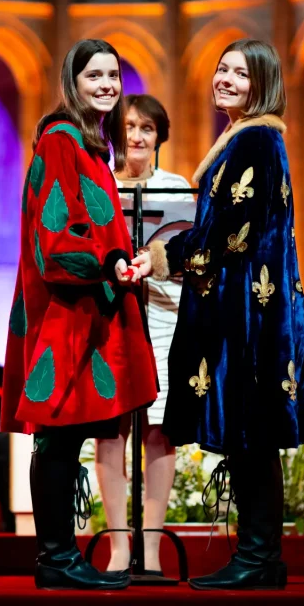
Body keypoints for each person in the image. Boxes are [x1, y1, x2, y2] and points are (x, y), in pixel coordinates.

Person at [149, 39, 304, 590]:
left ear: (262, 83)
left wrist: (160, 257)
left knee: (252, 432)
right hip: (247, 303)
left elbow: (231, 232)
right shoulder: (247, 138)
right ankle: (260, 556)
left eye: (239, 74)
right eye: (221, 69)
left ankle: (259, 556)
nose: (224, 79)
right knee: (252, 433)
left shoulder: (257, 140)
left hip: (249, 308)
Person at [1, 39, 159, 590]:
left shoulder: (93, 145)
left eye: (113, 76)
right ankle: (54, 557)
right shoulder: (62, 139)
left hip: (86, 306)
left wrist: (117, 259)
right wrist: (109, 258)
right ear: (73, 81)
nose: (107, 85)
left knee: (68, 437)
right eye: (95, 75)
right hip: (64, 312)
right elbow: (54, 236)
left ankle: (59, 557)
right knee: (57, 435)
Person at [96, 94, 190, 575]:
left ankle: (151, 549)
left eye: (147, 128)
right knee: (111, 434)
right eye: (129, 126)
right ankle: (117, 549)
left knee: (158, 433)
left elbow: (193, 261)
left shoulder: (177, 189)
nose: (136, 136)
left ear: (160, 137)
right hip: (109, 319)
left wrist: (153, 262)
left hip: (164, 318)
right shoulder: (100, 185)